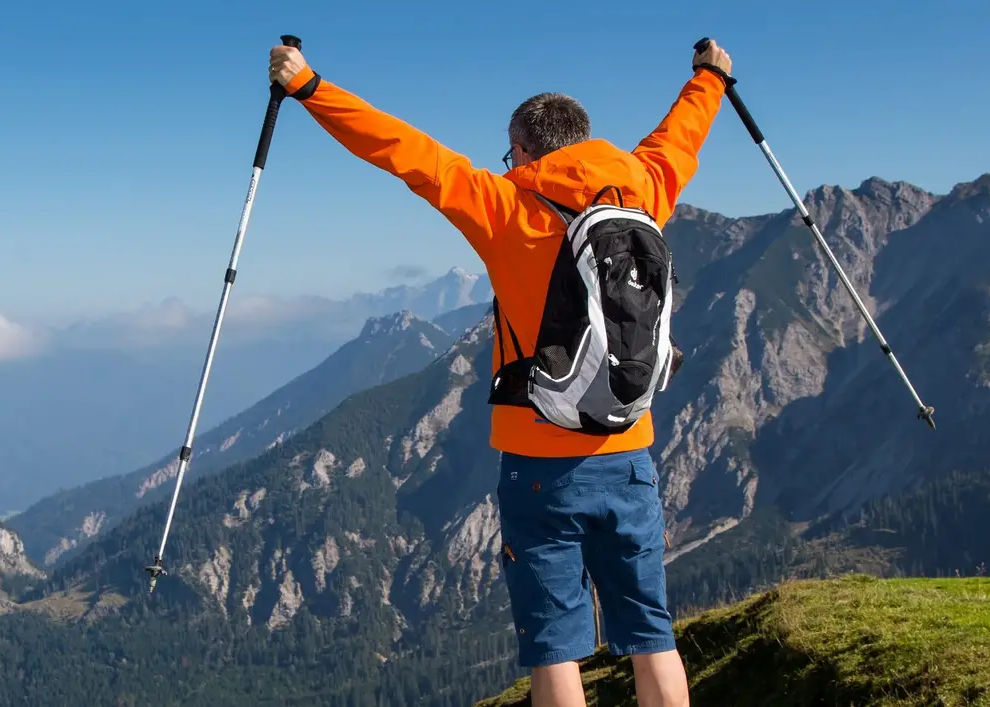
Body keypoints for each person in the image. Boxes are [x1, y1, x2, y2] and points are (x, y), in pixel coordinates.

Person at [270, 37, 730, 707]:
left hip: (538, 463)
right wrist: (710, 74)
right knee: (652, 636)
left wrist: (309, 85)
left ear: (525, 151)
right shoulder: (646, 186)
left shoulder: (505, 207)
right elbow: (682, 131)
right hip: (630, 454)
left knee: (556, 651)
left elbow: (403, 150)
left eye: (510, 152)